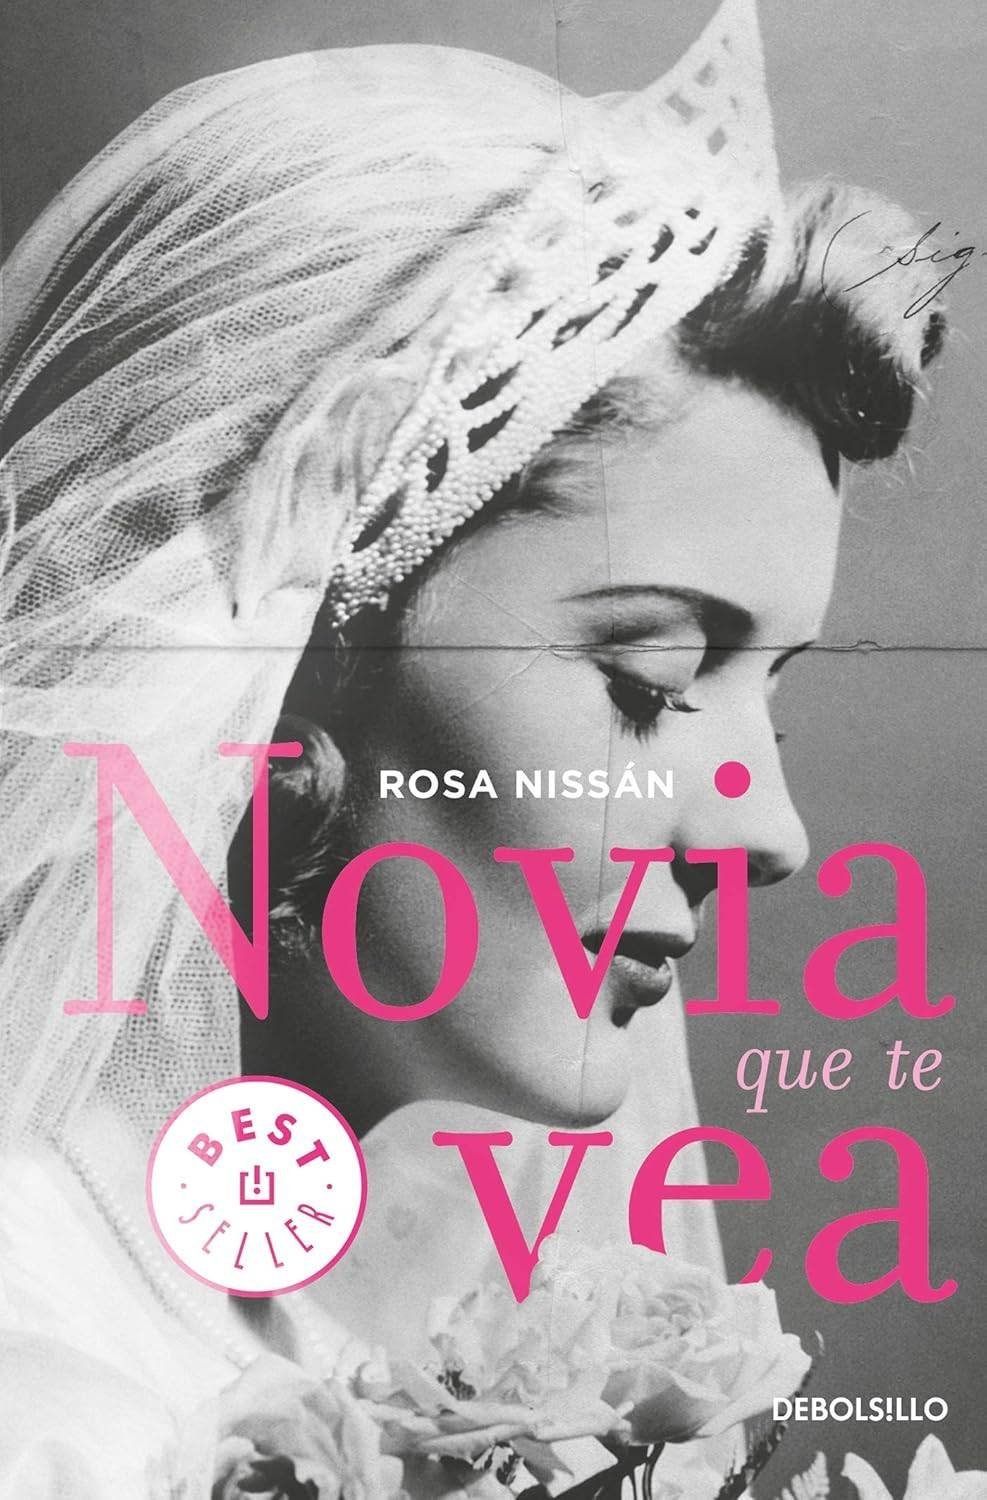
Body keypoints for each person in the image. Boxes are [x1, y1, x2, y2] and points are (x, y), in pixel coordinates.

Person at [0, 0, 945, 1492]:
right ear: (278, 660)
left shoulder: (427, 1352)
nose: (773, 833)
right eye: (651, 680)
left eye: (770, 698)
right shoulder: (49, 1405)